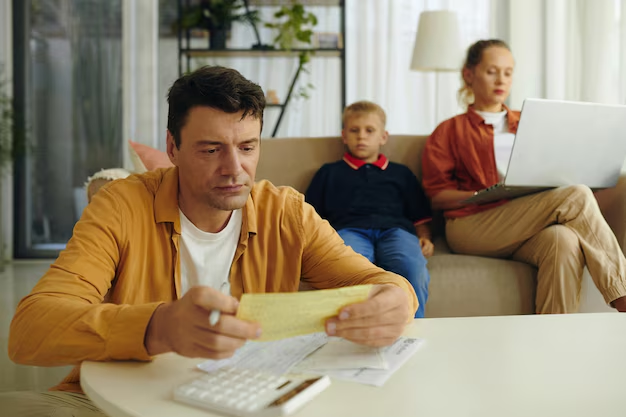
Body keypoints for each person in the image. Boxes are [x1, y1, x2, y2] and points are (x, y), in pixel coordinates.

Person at [2, 66, 418, 415]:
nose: (234, 168)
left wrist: (399, 297)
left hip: (250, 401)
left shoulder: (286, 212)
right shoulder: (121, 205)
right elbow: (30, 330)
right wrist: (157, 327)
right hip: (118, 403)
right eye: (211, 149)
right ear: (173, 147)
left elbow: (375, 281)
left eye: (247, 147)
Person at [421, 39, 626, 314]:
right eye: (492, 71)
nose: (501, 79)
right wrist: (481, 195)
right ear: (469, 75)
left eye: (508, 72)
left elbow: (556, 170)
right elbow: (436, 196)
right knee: (576, 195)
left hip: (528, 218)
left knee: (562, 240)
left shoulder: (531, 121)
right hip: (471, 224)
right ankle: (622, 295)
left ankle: (553, 341)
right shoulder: (449, 130)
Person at [306, 101, 433, 318]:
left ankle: (413, 327)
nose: (361, 136)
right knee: (347, 271)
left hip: (396, 231)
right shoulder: (329, 173)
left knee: (413, 269)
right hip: (349, 230)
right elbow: (310, 216)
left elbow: (420, 214)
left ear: (383, 137)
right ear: (344, 136)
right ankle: (354, 327)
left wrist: (425, 237)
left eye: (369, 131)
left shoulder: (401, 173)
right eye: (354, 131)